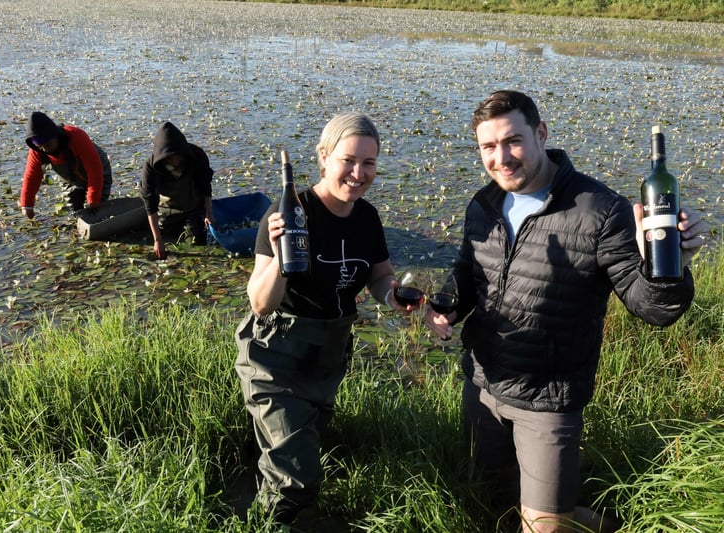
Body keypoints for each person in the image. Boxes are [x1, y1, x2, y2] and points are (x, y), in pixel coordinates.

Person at [424, 90, 706, 533]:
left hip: (547, 399)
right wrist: (447, 308)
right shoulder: (484, 204)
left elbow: (652, 309)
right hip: (481, 384)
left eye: (513, 141)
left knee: (545, 527)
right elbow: (468, 271)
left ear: (541, 133)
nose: (501, 158)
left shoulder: (600, 210)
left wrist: (672, 269)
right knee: (493, 492)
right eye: (488, 147)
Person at [234, 112, 420, 526]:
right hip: (276, 354)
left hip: (329, 354)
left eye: (369, 163)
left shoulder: (367, 217)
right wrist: (284, 257)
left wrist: (392, 296)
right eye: (348, 160)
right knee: (296, 474)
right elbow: (260, 304)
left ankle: (260, 493)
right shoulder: (289, 214)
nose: (359, 173)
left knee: (301, 442)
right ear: (324, 157)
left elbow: (380, 275)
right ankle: (273, 521)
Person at [139, 121, 215, 257]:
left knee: (196, 241)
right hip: (166, 208)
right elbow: (150, 204)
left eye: (178, 155)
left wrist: (208, 213)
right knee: (160, 238)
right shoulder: (151, 167)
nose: (176, 160)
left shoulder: (196, 156)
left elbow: (206, 186)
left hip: (193, 206)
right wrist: (157, 240)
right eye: (171, 157)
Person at [19, 111, 112, 218]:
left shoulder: (76, 137)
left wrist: (94, 198)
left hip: (99, 170)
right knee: (75, 209)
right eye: (40, 146)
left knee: (96, 208)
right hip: (70, 177)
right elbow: (32, 177)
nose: (45, 149)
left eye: (48, 144)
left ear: (55, 136)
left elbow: (94, 170)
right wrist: (27, 205)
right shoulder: (37, 150)